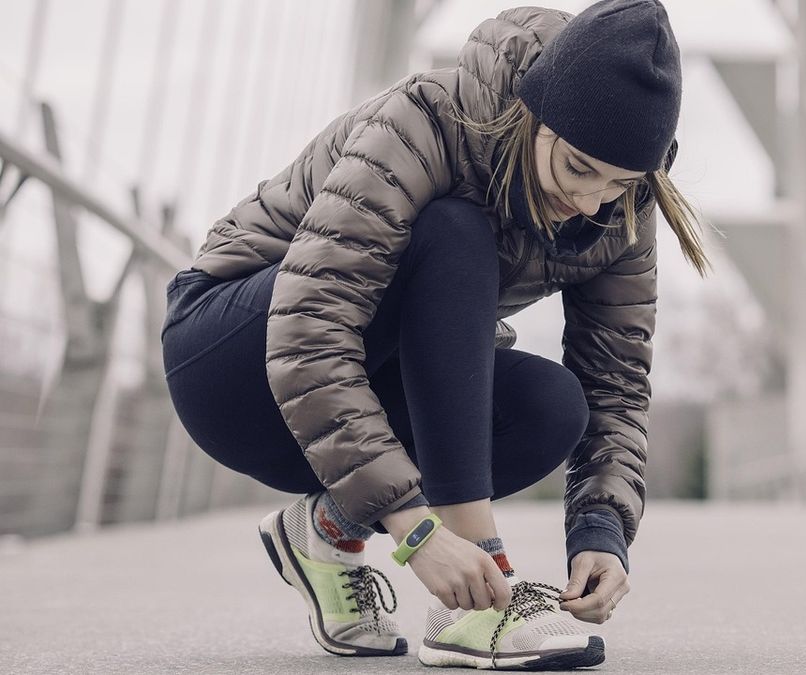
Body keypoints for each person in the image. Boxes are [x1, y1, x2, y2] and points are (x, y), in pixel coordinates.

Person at [160, 0, 708, 669]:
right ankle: (478, 592)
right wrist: (416, 530)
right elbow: (309, 329)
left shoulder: (620, 211)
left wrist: (602, 530)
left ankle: (326, 527)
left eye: (622, 182)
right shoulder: (425, 121)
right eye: (578, 167)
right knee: (454, 229)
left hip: (345, 400)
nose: (593, 200)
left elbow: (615, 383)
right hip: (230, 364)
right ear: (534, 115)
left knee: (552, 407)